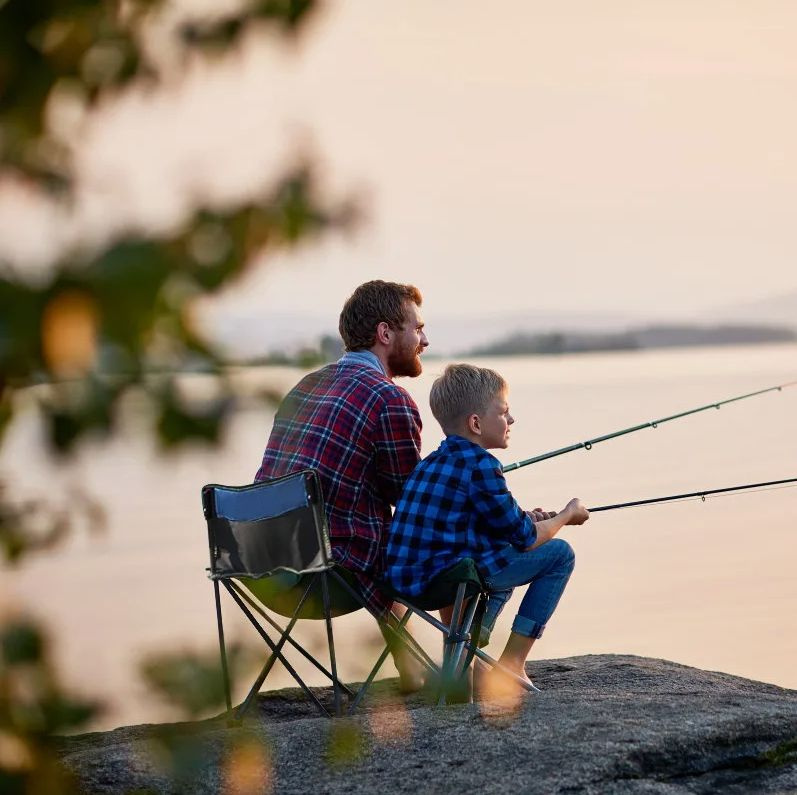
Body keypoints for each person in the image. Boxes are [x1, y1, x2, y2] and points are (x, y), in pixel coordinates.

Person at [254, 280, 429, 690]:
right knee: (435, 538)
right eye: (417, 328)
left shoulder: (305, 386)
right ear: (385, 334)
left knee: (370, 534)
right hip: (327, 575)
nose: (425, 339)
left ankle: (413, 670)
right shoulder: (389, 399)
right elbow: (410, 502)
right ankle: (460, 672)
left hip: (261, 569)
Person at [384, 363, 589, 693]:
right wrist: (566, 515)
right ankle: (511, 664)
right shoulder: (481, 465)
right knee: (559, 555)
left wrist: (527, 516)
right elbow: (525, 537)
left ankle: (469, 660)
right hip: (449, 581)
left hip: (406, 584)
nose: (511, 420)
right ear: (476, 423)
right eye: (504, 412)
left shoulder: (430, 463)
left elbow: (478, 519)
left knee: (497, 552)